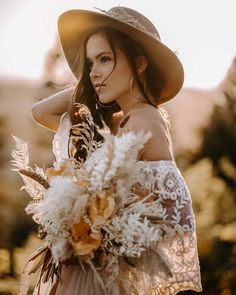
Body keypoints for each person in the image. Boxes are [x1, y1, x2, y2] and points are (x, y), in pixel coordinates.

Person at [29, 6, 202, 295]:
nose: (94, 73)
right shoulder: (126, 121)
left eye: (105, 59)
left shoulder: (141, 123)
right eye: (90, 63)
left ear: (140, 63)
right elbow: (41, 112)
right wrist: (90, 81)